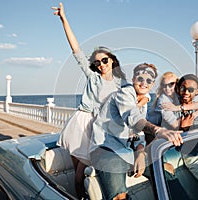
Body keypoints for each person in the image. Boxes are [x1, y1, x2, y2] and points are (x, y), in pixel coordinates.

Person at [52, 3, 130, 198]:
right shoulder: (92, 77)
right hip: (80, 122)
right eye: (97, 62)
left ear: (112, 60)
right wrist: (64, 19)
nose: (101, 64)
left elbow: (128, 106)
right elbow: (76, 49)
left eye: (105, 60)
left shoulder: (122, 84)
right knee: (78, 175)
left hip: (98, 129)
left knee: (81, 174)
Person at [90, 63, 183, 200]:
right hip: (107, 149)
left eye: (149, 80)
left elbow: (138, 132)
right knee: (119, 197)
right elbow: (133, 118)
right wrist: (158, 130)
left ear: (152, 84)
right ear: (133, 79)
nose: (144, 83)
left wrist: (140, 151)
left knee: (166, 173)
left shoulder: (143, 102)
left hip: (127, 151)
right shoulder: (124, 93)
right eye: (140, 78)